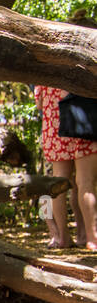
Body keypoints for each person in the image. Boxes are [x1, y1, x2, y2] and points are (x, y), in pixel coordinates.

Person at [32, 84, 97, 250]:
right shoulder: (73, 72)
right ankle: (86, 236)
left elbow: (39, 103)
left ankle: (63, 236)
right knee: (82, 183)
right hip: (77, 120)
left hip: (54, 130)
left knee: (57, 186)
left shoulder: (41, 77)